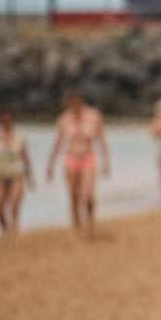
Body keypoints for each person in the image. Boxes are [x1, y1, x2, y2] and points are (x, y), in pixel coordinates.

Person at [46, 93, 110, 240]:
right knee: (73, 197)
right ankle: (77, 229)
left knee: (88, 196)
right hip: (70, 159)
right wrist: (50, 165)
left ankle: (90, 224)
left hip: (88, 158)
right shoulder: (64, 119)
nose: (73, 108)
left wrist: (105, 162)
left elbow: (101, 140)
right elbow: (58, 142)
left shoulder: (93, 116)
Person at [0, 112, 34, 240]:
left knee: (14, 206)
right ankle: (6, 230)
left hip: (16, 175)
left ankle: (14, 232)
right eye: (4, 120)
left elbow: (26, 158)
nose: (6, 123)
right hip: (0, 176)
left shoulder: (20, 137)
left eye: (8, 120)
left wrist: (30, 178)